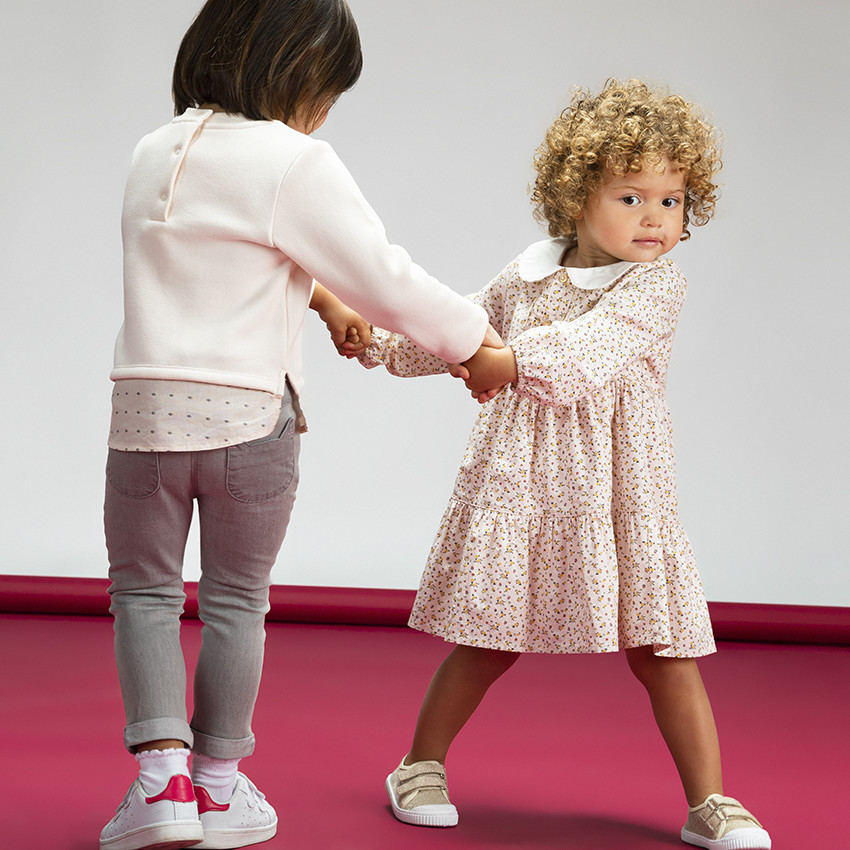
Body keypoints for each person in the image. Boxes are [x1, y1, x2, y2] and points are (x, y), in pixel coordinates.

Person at [100, 1, 501, 848]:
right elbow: (385, 276)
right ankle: (218, 785)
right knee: (238, 600)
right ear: (296, 71)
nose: (325, 114)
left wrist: (320, 301)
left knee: (144, 594)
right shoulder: (293, 159)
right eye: (327, 92)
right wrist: (475, 345)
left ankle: (160, 783)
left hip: (143, 419)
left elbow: (220, 252)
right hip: (248, 420)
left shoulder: (151, 150)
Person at [359, 79, 771, 850]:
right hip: (525, 481)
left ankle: (711, 800)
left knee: (662, 645)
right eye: (631, 196)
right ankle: (418, 764)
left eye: (674, 201)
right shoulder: (526, 277)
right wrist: (378, 342)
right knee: (489, 636)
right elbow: (458, 328)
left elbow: (586, 355)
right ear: (576, 196)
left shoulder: (656, 286)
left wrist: (505, 361)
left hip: (621, 489)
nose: (656, 218)